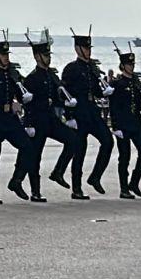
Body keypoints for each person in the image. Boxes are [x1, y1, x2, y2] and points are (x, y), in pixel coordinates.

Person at [23, 39, 85, 199]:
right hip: (37, 121)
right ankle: (35, 191)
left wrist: (66, 103)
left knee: (73, 140)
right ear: (37, 57)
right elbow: (28, 104)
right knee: (35, 156)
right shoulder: (32, 78)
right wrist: (28, 125)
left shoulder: (52, 75)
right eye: (44, 55)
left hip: (51, 119)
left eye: (48, 55)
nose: (48, 58)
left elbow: (58, 94)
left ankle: (58, 171)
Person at [0, 38, 36, 204]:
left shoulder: (12, 74)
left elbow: (21, 93)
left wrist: (25, 98)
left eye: (7, 54)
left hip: (10, 119)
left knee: (27, 148)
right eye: (2, 54)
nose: (6, 57)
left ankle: (16, 181)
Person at [61, 31, 114, 195]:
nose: (88, 50)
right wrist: (69, 116)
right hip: (79, 112)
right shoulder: (71, 69)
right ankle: (76, 188)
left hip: (92, 111)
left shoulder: (92, 68)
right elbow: (64, 93)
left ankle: (95, 176)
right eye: (85, 47)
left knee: (108, 141)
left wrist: (105, 90)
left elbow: (97, 91)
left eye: (89, 47)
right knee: (80, 151)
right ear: (77, 49)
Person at [107, 45, 141, 199]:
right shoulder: (117, 84)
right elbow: (113, 107)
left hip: (136, 123)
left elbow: (140, 103)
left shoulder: (136, 84)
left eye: (133, 64)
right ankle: (124, 188)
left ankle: (134, 182)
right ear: (122, 66)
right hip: (123, 125)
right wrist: (115, 126)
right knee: (124, 157)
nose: (131, 67)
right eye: (129, 64)